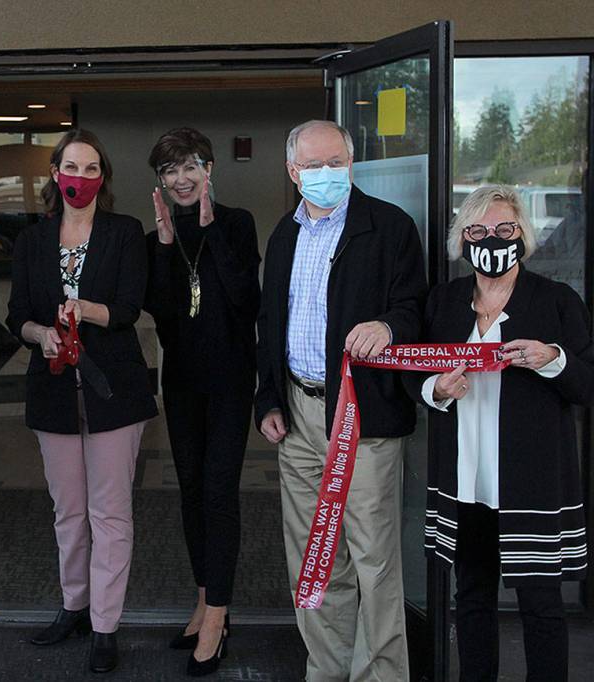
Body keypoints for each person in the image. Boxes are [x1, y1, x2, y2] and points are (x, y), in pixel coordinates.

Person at [255, 119, 427, 681]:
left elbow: (415, 307)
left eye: (336, 163)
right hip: (300, 415)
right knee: (315, 557)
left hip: (364, 415)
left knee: (373, 562)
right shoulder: (285, 234)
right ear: (292, 172)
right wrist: (269, 400)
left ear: (352, 165)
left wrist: (388, 325)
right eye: (313, 166)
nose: (326, 174)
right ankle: (326, 671)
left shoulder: (390, 227)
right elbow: (269, 324)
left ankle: (379, 676)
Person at [404, 186, 593, 682]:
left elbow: (587, 383)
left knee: (540, 604)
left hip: (530, 484)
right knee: (471, 600)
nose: (493, 239)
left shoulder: (555, 301)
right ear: (462, 240)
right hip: (466, 482)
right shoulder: (443, 302)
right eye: (479, 230)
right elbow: (413, 370)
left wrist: (554, 359)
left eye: (505, 228)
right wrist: (435, 388)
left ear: (523, 235)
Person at [6, 129, 157, 674]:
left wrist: (83, 310)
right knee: (68, 512)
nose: (81, 177)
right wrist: (39, 333)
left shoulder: (124, 232)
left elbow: (128, 307)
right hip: (52, 392)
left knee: (110, 513)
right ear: (55, 172)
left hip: (112, 389)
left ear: (103, 178)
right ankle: (74, 606)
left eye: (92, 169)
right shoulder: (31, 240)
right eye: (72, 166)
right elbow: (15, 313)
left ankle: (105, 625)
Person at [143, 128, 260, 676]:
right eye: (170, 171)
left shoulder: (236, 223)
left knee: (218, 491)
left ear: (209, 169)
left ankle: (218, 616)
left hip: (232, 380)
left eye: (191, 166)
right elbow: (165, 314)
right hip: (183, 384)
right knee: (190, 490)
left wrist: (210, 233)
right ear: (160, 181)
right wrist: (167, 245)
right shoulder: (155, 239)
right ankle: (204, 598)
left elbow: (245, 299)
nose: (182, 179)